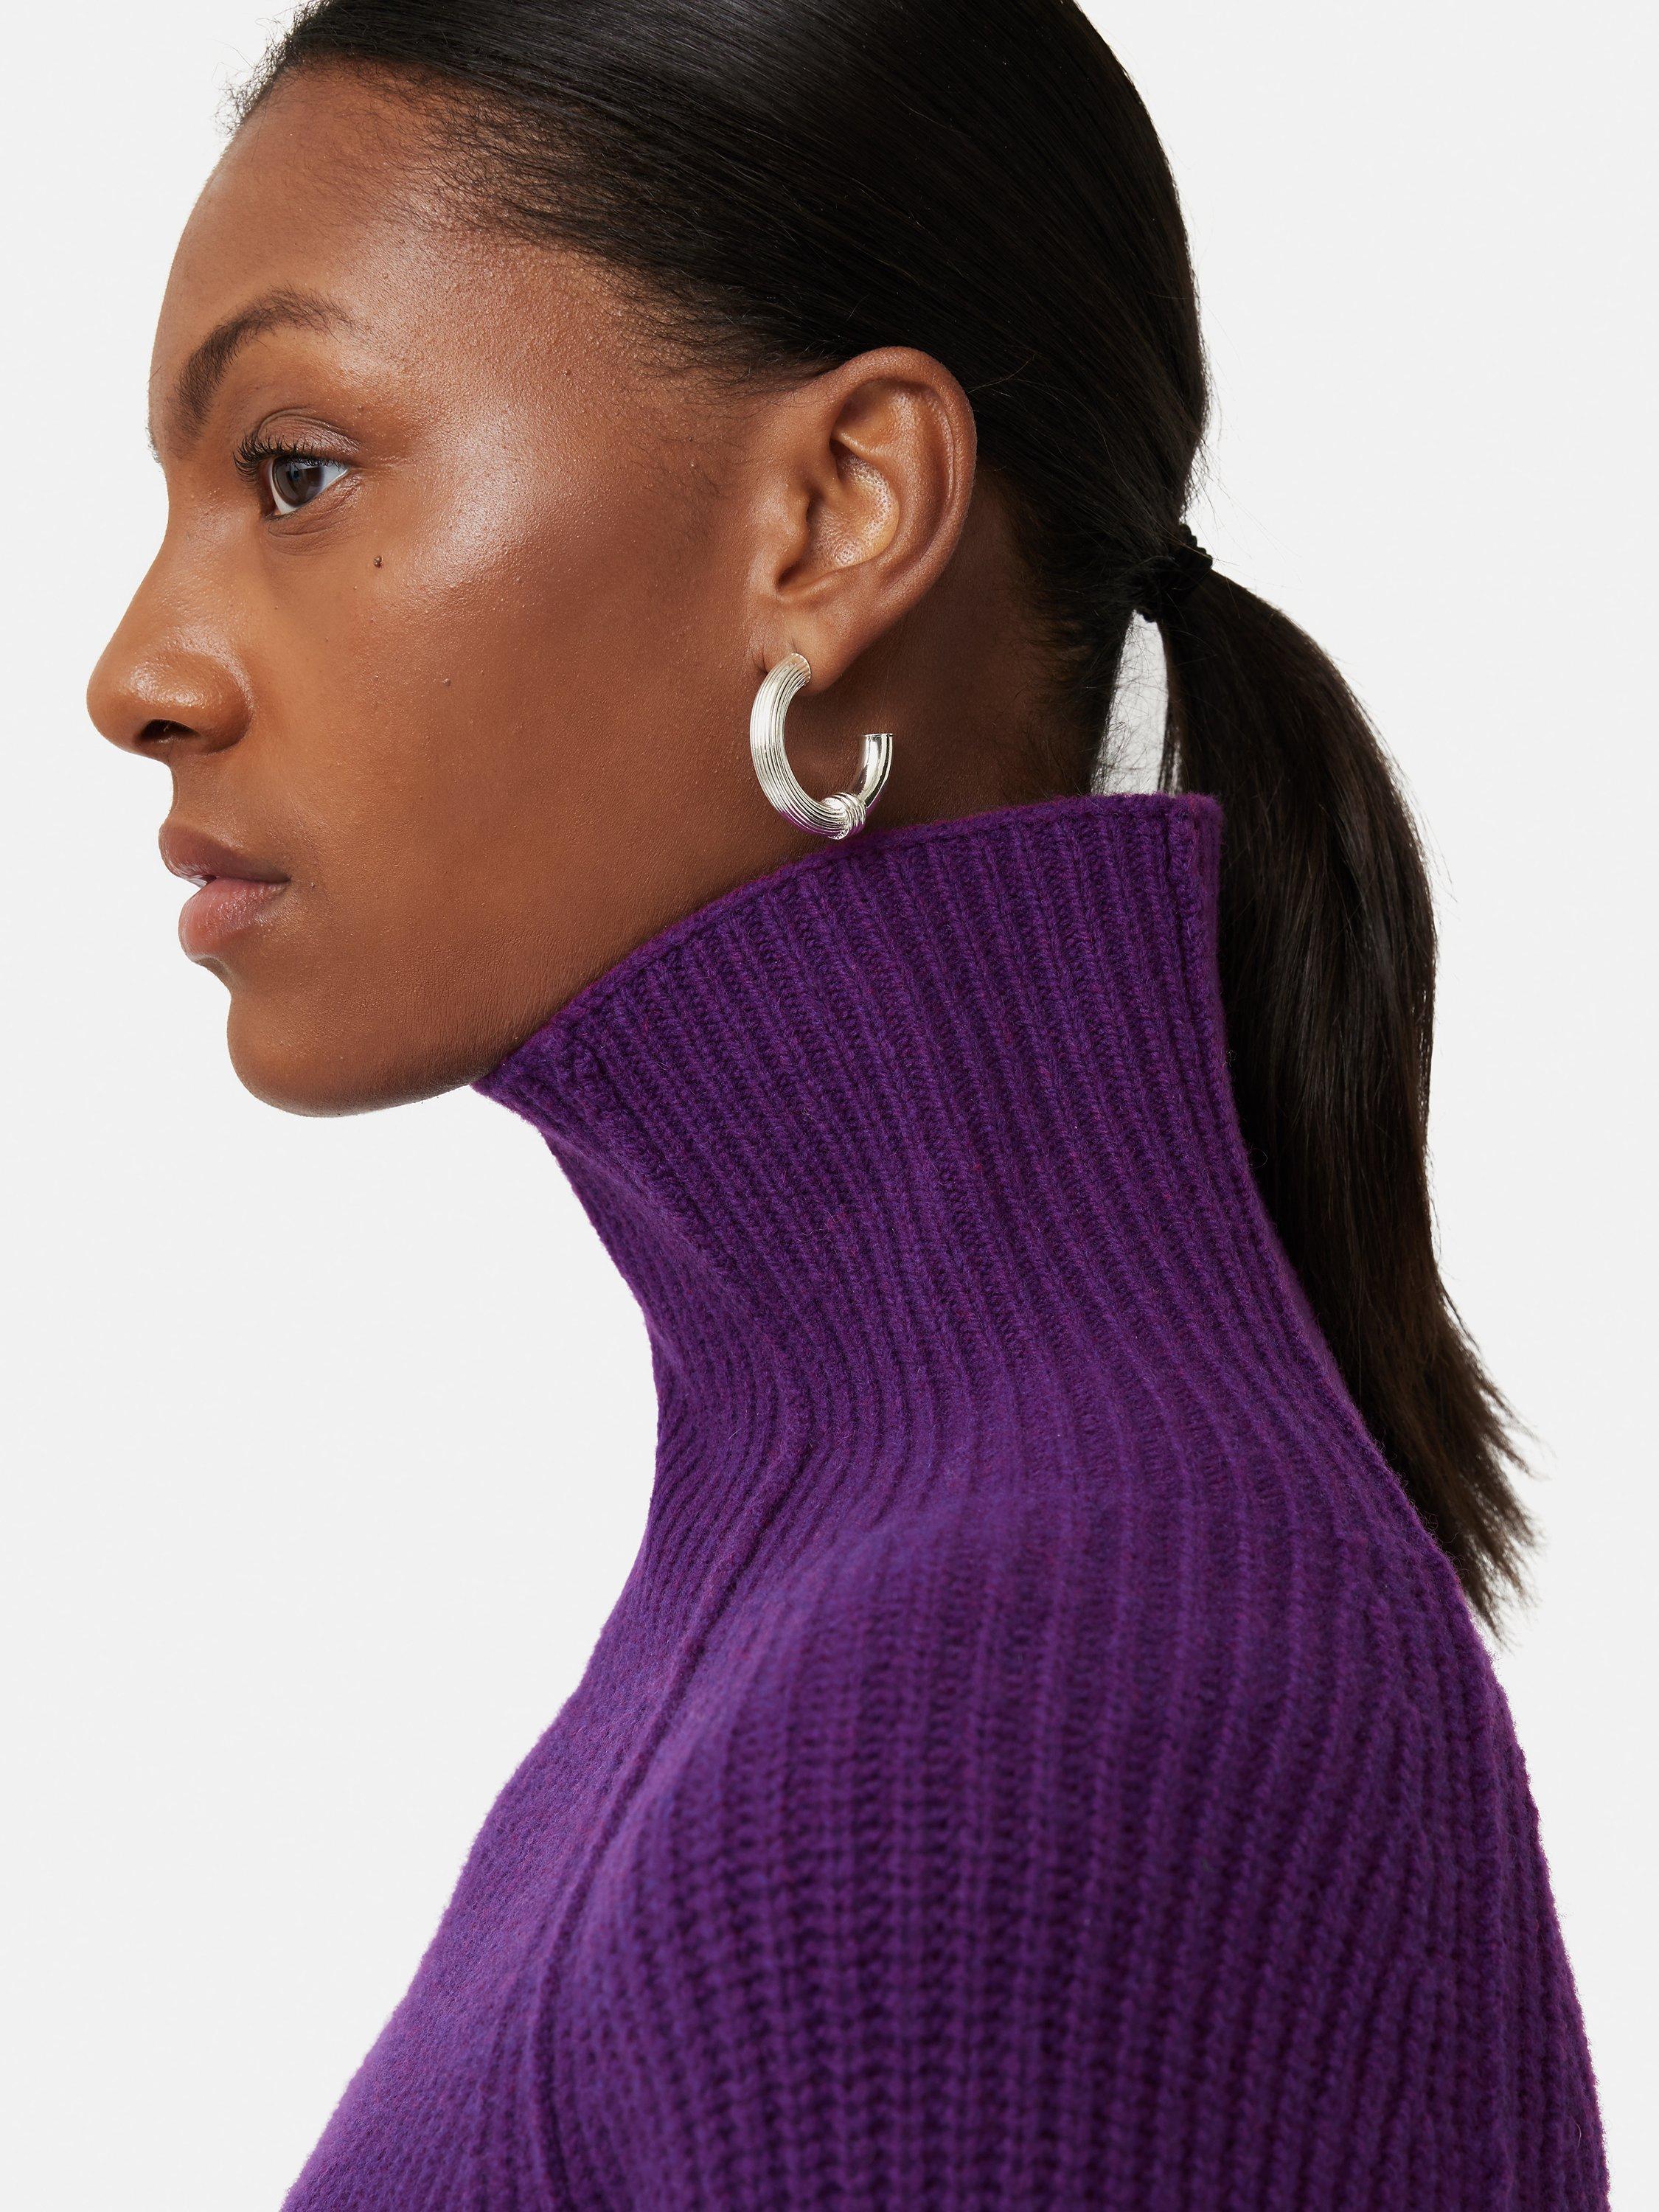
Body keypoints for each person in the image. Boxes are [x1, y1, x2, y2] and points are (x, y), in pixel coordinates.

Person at [86, 3, 1610, 2205]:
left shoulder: (1039, 1693)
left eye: (295, 473)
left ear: (840, 512)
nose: (139, 675)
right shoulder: (865, 1595)